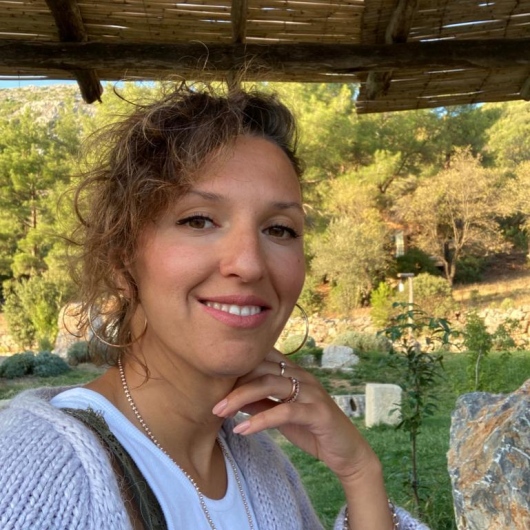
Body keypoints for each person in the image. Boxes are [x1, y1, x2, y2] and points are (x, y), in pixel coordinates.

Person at [0, 85, 427, 530]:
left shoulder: (262, 466)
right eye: (199, 220)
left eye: (279, 229)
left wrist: (359, 471)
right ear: (123, 260)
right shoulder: (30, 475)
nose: (249, 263)